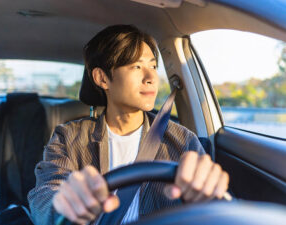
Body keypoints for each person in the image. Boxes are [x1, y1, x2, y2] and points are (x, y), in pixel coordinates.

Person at [28, 24, 229, 225]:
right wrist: (63, 205)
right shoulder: (68, 137)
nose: (151, 78)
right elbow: (46, 194)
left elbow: (211, 209)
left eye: (152, 66)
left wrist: (210, 194)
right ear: (102, 78)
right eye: (136, 66)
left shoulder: (183, 140)